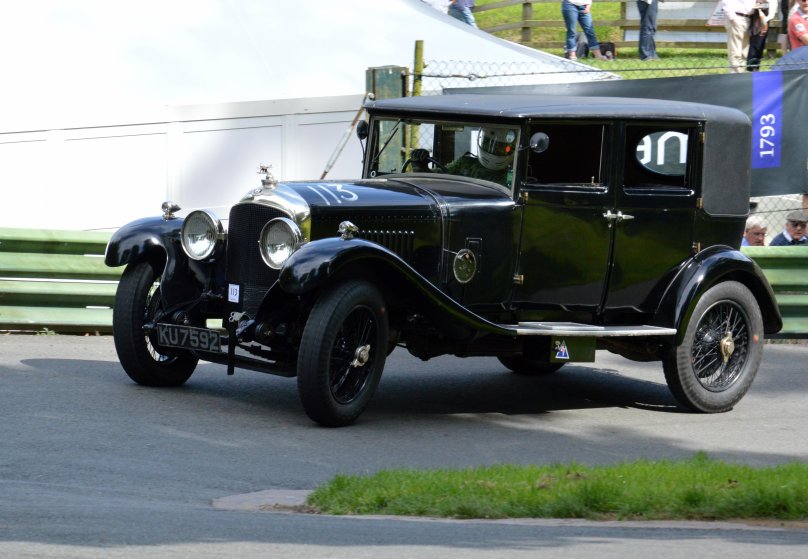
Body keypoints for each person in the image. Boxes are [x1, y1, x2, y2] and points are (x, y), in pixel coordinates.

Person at [445, 127, 517, 186]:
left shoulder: (510, 175)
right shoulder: (465, 163)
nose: (493, 149)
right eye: (487, 142)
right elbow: (442, 171)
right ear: (481, 140)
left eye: (500, 146)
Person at [722, 0, 757, 73]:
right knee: (735, 50)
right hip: (737, 17)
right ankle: (734, 74)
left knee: (744, 50)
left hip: (748, 18)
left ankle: (740, 73)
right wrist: (733, 18)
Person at [747, 2, 776, 70]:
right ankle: (752, 68)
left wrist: (765, 19)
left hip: (764, 18)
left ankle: (755, 67)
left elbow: (772, 5)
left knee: (759, 46)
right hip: (756, 18)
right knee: (755, 46)